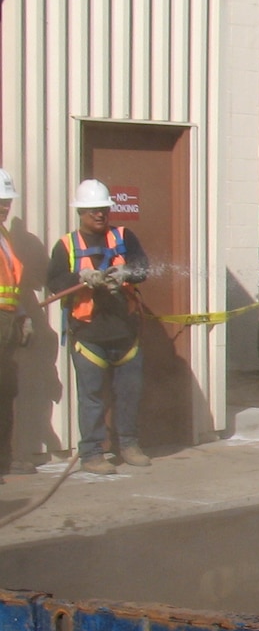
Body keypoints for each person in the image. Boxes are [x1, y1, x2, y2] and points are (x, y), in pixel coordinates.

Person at [47, 180, 149, 475]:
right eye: (92, 210)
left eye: (103, 209)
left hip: (126, 333)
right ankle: (92, 453)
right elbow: (53, 282)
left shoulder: (124, 236)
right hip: (89, 334)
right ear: (80, 212)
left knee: (129, 393)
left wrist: (128, 271)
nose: (99, 215)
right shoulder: (66, 245)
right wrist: (81, 276)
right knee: (91, 398)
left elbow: (143, 267)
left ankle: (128, 444)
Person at [0, 171, 31, 480]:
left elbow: (8, 284)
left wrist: (21, 314)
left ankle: (4, 459)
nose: (5, 207)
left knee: (5, 391)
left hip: (7, 321)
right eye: (1, 202)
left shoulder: (3, 236)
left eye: (7, 202)